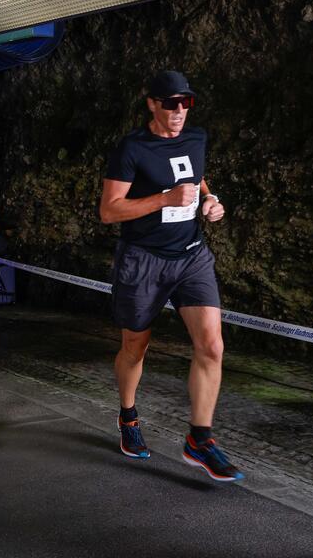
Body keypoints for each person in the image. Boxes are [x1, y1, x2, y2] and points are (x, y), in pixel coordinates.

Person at [99, 69, 242, 482]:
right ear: (152, 104)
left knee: (212, 345)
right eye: (171, 103)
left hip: (191, 255)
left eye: (186, 103)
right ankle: (128, 417)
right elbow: (110, 210)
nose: (179, 111)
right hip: (143, 259)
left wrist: (210, 199)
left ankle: (200, 438)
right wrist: (162, 199)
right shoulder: (131, 148)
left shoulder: (196, 139)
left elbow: (196, 178)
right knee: (135, 348)